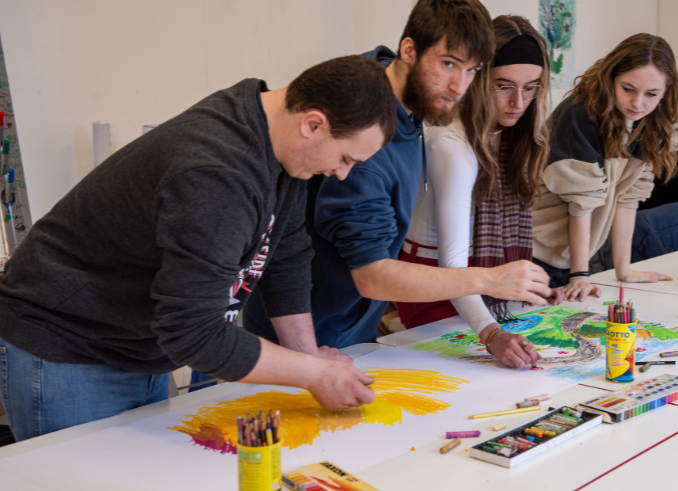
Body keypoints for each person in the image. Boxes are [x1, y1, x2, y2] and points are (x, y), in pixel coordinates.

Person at [0, 55, 397, 441]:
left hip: (139, 345)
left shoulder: (279, 142)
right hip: (69, 348)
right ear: (313, 124)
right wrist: (313, 374)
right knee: (82, 487)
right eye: (344, 158)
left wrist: (307, 357)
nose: (342, 173)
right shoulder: (218, 173)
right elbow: (194, 333)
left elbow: (285, 256)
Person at [243, 0, 553, 350]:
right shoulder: (367, 141)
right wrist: (488, 286)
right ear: (409, 50)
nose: (460, 87)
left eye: (471, 70)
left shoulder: (386, 82)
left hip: (347, 320)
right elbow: (372, 274)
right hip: (311, 330)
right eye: (448, 64)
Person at [397, 15, 554, 369]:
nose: (518, 102)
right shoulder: (452, 146)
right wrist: (492, 333)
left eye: (531, 87)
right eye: (504, 86)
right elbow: (452, 268)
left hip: (477, 281)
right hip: (436, 284)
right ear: (479, 80)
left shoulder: (506, 133)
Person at [531, 33, 678, 300]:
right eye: (628, 89)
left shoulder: (648, 123)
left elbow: (628, 198)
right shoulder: (581, 112)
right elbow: (582, 202)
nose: (638, 103)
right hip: (535, 252)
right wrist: (580, 274)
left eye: (651, 94)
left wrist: (624, 270)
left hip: (572, 259)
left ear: (666, 90)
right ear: (611, 77)